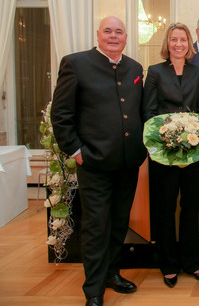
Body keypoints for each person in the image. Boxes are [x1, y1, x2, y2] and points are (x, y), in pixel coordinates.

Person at [51, 17, 148, 306]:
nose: (113, 36)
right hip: (93, 162)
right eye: (108, 31)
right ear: (98, 35)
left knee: (119, 223)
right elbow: (61, 115)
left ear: (127, 37)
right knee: (96, 226)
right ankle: (93, 290)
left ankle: (112, 273)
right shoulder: (76, 63)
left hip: (128, 162)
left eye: (119, 32)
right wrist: (76, 151)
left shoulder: (133, 67)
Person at [143, 22, 199, 288]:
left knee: (191, 208)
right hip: (164, 153)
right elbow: (148, 113)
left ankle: (192, 262)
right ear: (167, 43)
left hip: (193, 152)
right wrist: (167, 136)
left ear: (189, 43)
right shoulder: (155, 72)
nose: (179, 44)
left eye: (183, 39)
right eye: (174, 39)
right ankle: (168, 265)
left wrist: (193, 129)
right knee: (165, 209)